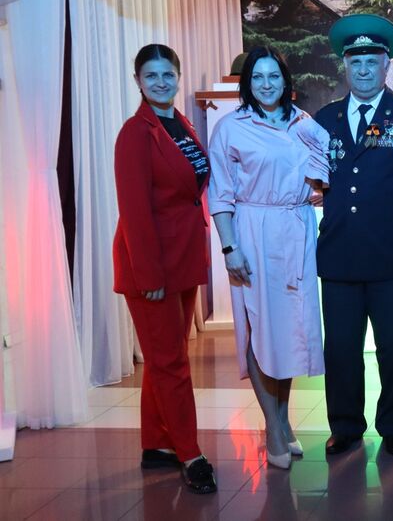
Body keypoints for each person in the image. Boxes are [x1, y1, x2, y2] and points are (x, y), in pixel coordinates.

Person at [314, 14, 393, 458]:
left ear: (387, 66)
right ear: (345, 67)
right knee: (341, 349)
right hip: (340, 254)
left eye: (372, 61)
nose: (364, 70)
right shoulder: (325, 118)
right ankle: (346, 426)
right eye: (356, 62)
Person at [208, 46, 330, 471]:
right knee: (259, 329)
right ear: (247, 83)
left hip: (296, 230)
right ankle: (273, 427)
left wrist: (318, 189)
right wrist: (230, 248)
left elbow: (324, 164)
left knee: (289, 330)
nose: (266, 84)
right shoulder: (230, 127)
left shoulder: (303, 122)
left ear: (285, 80)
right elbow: (220, 194)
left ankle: (282, 418)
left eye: (273, 76)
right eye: (257, 77)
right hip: (253, 232)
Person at [112, 43, 217, 494]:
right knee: (170, 362)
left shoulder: (180, 123)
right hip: (151, 266)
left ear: (178, 75)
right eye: (151, 75)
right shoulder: (135, 134)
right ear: (137, 80)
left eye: (167, 74)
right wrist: (149, 276)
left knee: (166, 357)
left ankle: (157, 444)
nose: (160, 82)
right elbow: (134, 212)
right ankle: (190, 454)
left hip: (183, 258)